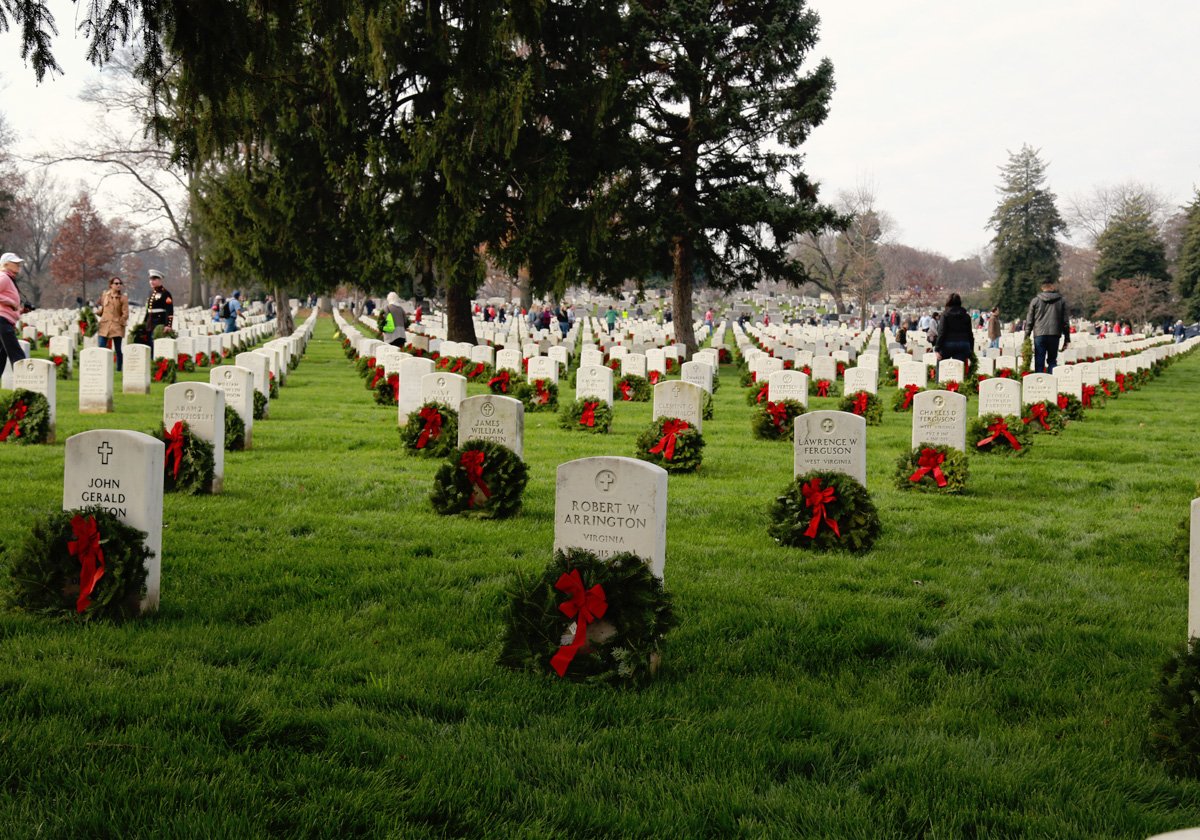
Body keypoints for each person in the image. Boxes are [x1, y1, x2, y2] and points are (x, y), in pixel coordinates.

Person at [1023, 278, 1069, 373]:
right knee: (1052, 360)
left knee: (1039, 360)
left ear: (1042, 288)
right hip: (1054, 333)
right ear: (1052, 287)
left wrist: (1026, 336)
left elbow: (1029, 320)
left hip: (1039, 334)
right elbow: (1065, 322)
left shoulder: (1035, 301)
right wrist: (1067, 338)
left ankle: (1039, 382)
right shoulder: (1061, 301)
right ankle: (1052, 381)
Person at [0, 253, 28, 374]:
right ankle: (25, 385)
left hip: (5, 320)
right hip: (2, 321)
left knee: (1, 358)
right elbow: (8, 303)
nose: (18, 266)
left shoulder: (9, 278)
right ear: (6, 264)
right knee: (17, 355)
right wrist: (11, 302)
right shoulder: (4, 277)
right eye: (15, 263)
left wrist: (20, 310)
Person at [96, 276, 130, 371]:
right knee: (101, 347)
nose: (118, 285)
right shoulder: (105, 296)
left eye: (120, 283)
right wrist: (96, 312)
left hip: (116, 326)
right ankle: (101, 368)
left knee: (118, 349)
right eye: (116, 283)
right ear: (111, 285)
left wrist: (120, 322)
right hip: (104, 325)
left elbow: (125, 313)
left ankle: (119, 368)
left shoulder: (123, 298)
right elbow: (103, 309)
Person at [934, 293, 973, 364]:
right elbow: (969, 333)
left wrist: (937, 348)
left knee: (942, 367)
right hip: (963, 343)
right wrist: (971, 348)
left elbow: (942, 332)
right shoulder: (966, 316)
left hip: (948, 343)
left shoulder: (945, 315)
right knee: (960, 369)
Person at [146, 269, 174, 338]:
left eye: (154, 279)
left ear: (160, 280)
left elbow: (169, 310)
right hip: (150, 323)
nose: (151, 282)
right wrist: (144, 323)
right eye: (150, 280)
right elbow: (148, 310)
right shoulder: (151, 293)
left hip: (159, 323)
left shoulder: (165, 293)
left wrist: (168, 325)